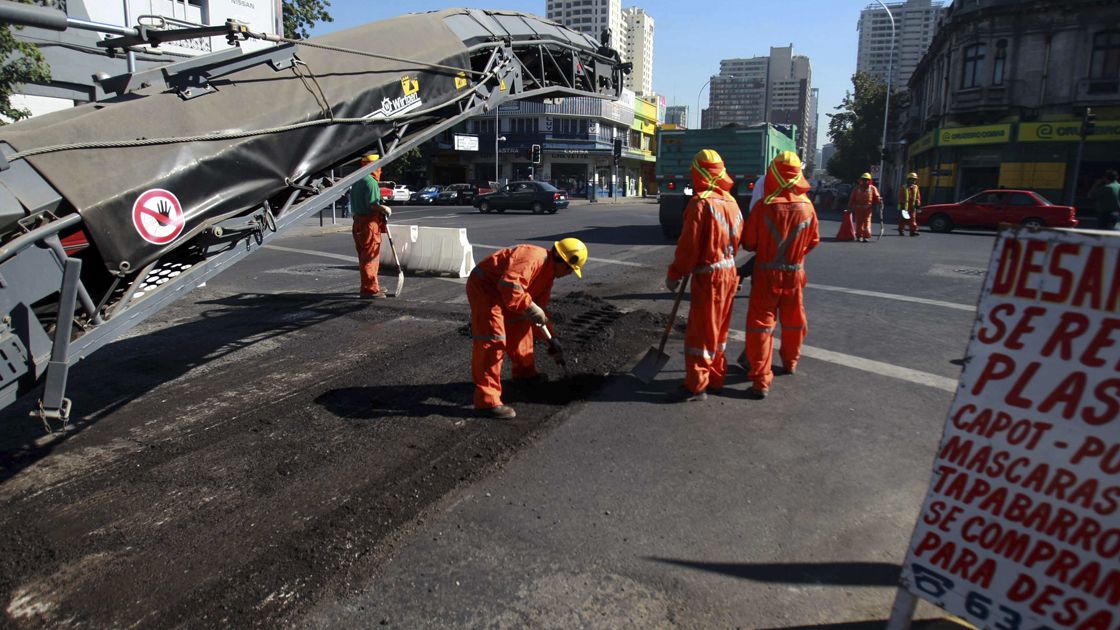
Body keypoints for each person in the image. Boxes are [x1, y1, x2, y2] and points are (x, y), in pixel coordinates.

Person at [467, 238, 588, 419]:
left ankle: (525, 374)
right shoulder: (534, 257)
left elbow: (539, 313)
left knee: (521, 327)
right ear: (563, 261)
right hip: (486, 287)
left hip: (507, 293)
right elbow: (509, 286)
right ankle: (487, 400)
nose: (570, 274)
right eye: (571, 270)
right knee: (493, 338)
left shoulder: (548, 275)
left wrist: (551, 339)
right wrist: (530, 307)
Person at [664, 149, 744, 402]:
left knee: (700, 332)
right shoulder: (731, 202)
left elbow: (688, 247)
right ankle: (715, 377)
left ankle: (696, 385)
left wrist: (675, 274)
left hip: (710, 276)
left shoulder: (701, 203)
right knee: (719, 332)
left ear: (699, 172)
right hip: (729, 271)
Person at [741, 151, 820, 399]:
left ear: (774, 174)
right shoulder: (808, 206)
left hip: (766, 275)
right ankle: (790, 362)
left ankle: (761, 380)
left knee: (761, 327)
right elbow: (813, 241)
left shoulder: (764, 207)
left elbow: (749, 243)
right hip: (795, 274)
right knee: (794, 320)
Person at [350, 154, 392, 298]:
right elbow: (373, 204)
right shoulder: (370, 182)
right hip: (369, 225)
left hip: (358, 223)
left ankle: (370, 285)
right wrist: (384, 209)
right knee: (370, 258)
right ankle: (370, 289)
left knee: (363, 257)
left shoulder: (357, 180)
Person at [847, 173, 881, 242]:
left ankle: (866, 236)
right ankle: (859, 236)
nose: (865, 181)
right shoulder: (856, 189)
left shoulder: (872, 188)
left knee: (867, 222)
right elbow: (852, 199)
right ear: (861, 180)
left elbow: (877, 197)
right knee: (859, 223)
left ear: (869, 181)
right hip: (858, 209)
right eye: (863, 180)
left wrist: (880, 201)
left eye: (866, 180)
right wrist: (849, 208)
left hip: (868, 210)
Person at [899, 172, 922, 237]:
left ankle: (913, 231)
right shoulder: (904, 187)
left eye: (914, 179)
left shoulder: (916, 187)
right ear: (908, 179)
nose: (913, 181)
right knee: (904, 219)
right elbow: (901, 197)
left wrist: (918, 202)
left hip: (912, 207)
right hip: (905, 207)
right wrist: (902, 205)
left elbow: (918, 196)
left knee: (913, 219)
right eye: (912, 179)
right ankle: (901, 230)